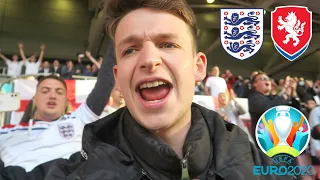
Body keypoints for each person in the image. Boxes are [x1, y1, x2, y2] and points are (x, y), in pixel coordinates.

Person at [45, 1, 293, 180]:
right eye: (130, 49)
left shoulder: (257, 164)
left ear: (198, 67)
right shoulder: (75, 173)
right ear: (118, 79)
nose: (149, 59)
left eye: (168, 44)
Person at [0, 44, 115, 179]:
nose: (52, 96)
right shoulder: (6, 131)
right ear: (34, 99)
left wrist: (116, 33)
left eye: (59, 92)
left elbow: (105, 83)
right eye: (45, 91)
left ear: (66, 102)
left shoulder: (79, 119)